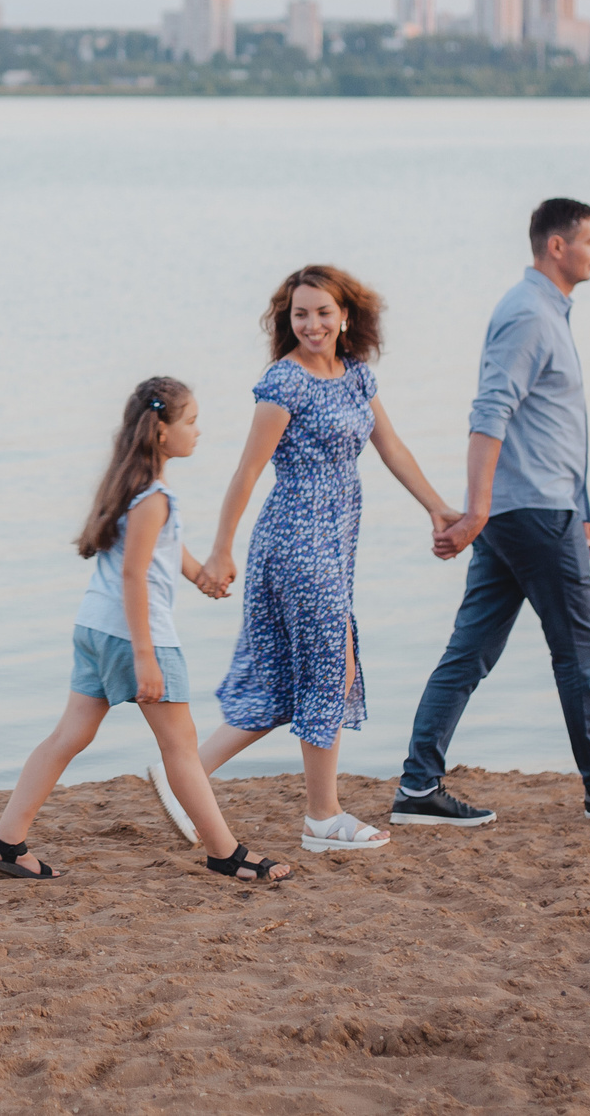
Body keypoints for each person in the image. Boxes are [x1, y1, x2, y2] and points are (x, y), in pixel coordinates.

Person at [390, 198, 590, 829]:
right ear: (557, 246)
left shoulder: (546, 311)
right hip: (530, 513)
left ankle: (419, 785)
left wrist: (582, 505)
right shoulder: (528, 314)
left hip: (537, 508)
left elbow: (552, 425)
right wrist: (476, 510)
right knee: (579, 649)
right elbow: (489, 413)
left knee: (470, 650)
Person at [182, 266, 461, 856]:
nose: (311, 324)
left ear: (346, 317)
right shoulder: (284, 383)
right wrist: (221, 549)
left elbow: (392, 448)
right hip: (294, 543)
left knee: (308, 677)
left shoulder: (356, 376)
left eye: (322, 312)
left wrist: (437, 509)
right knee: (331, 672)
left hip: (334, 546)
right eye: (299, 313)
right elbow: (247, 472)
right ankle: (322, 818)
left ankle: (185, 774)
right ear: (287, 320)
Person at [0, 378, 291, 886]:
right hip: (136, 637)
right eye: (190, 422)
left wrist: (201, 577)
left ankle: (5, 842)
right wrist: (145, 656)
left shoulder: (133, 488)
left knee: (69, 735)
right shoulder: (155, 498)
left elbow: (159, 555)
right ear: (162, 432)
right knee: (182, 748)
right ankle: (225, 853)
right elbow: (135, 575)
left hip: (94, 629)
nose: (199, 431)